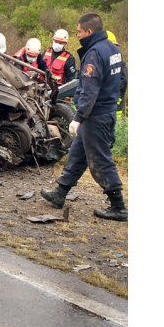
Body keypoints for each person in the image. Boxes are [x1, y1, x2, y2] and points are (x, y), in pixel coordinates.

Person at [41, 13, 127, 221]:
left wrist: (78, 117)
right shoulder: (113, 49)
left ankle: (118, 206)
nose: (77, 35)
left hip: (95, 116)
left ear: (89, 31)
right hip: (103, 111)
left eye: (78, 31)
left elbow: (89, 90)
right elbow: (122, 79)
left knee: (100, 159)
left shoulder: (94, 54)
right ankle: (60, 193)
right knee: (78, 154)